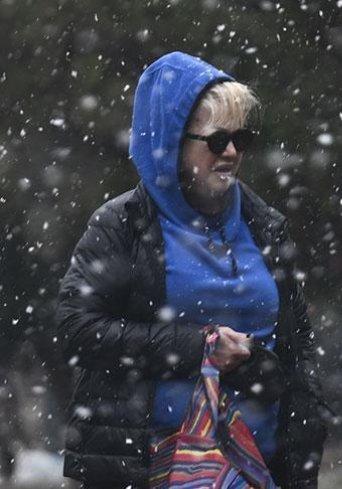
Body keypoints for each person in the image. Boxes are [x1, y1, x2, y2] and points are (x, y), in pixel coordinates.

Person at [55, 52, 326, 488]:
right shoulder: (121, 224)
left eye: (242, 139)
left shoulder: (267, 226)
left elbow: (299, 341)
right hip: (149, 469)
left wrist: (291, 395)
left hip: (263, 467)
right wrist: (197, 347)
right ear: (171, 141)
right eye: (217, 140)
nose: (233, 152)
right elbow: (78, 329)